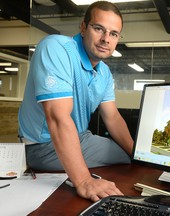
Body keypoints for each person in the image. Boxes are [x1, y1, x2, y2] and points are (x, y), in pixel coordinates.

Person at [18, 1, 133, 202]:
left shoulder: (104, 72)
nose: (106, 39)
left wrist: (139, 154)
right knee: (125, 159)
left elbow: (112, 117)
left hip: (81, 138)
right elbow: (58, 118)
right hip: (42, 146)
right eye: (99, 29)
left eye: (113, 34)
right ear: (83, 27)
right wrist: (84, 181)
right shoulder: (56, 48)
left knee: (129, 156)